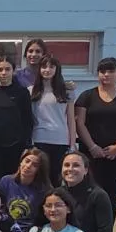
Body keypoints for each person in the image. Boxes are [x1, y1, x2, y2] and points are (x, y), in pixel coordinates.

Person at [75, 57, 116, 213]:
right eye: (102, 71)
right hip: (89, 154)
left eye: (110, 71)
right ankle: (86, 227)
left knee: (110, 195)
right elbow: (79, 123)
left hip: (115, 156)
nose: (106, 75)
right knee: (86, 193)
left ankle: (107, 228)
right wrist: (92, 147)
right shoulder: (86, 96)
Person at [0, 57, 34, 182]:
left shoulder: (22, 93)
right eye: (0, 69)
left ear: (13, 71)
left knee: (14, 181)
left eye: (7, 69)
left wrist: (27, 145)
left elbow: (28, 120)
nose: (4, 73)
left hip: (17, 146)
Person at [30, 55, 76, 186]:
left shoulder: (67, 91)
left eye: (51, 67)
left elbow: (71, 119)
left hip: (60, 141)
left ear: (57, 69)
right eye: (44, 67)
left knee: (56, 179)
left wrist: (72, 145)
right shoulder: (31, 91)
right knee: (39, 180)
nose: (47, 70)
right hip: (39, 140)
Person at [0, 148, 53, 232]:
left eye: (35, 165)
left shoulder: (44, 190)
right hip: (6, 228)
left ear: (39, 170)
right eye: (27, 161)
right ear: (21, 162)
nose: (28, 166)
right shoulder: (6, 181)